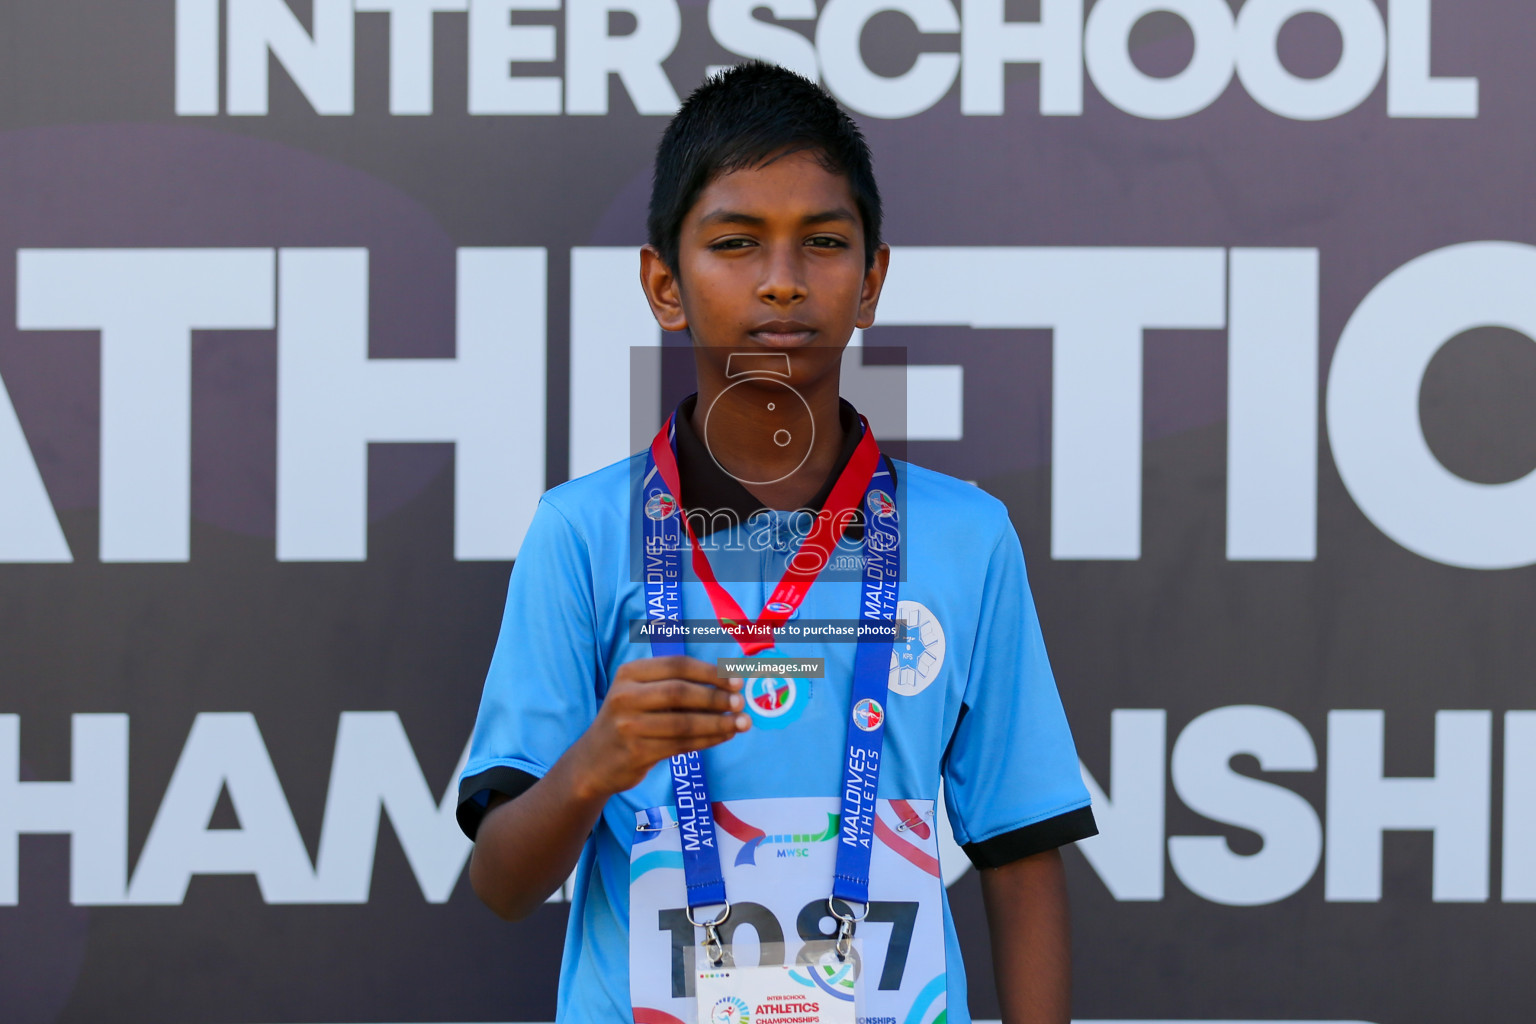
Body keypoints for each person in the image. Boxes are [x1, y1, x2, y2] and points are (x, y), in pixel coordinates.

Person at [456, 61, 1097, 1024]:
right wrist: (595, 763)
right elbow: (501, 885)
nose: (784, 281)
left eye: (825, 242)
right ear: (664, 285)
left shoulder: (965, 539)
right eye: (737, 242)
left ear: (872, 279)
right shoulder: (583, 534)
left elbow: (1020, 855)